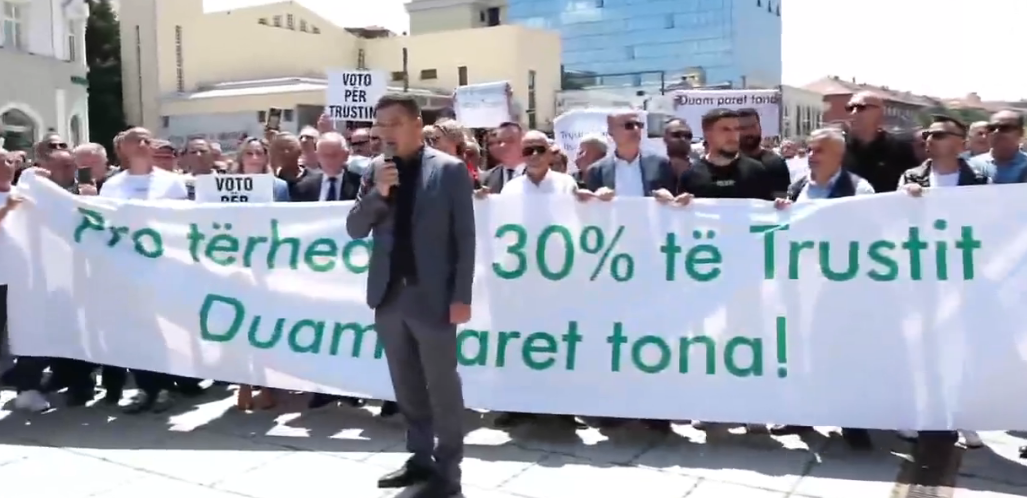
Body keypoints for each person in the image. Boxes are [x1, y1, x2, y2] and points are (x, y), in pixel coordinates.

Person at [346, 93, 474, 498]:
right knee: (406, 386)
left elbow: (465, 238)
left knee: (442, 388)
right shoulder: (375, 170)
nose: (385, 132)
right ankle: (419, 458)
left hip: (434, 297)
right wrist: (379, 193)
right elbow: (355, 228)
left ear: (417, 124)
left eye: (394, 123)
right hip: (388, 296)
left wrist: (462, 296)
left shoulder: (450, 170)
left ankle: (448, 474)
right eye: (380, 124)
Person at [896, 116, 989, 453]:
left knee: (960, 349)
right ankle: (917, 414)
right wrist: (906, 198)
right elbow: (895, 218)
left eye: (938, 134)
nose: (929, 139)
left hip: (962, 276)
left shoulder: (980, 180)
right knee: (920, 347)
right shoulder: (911, 176)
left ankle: (962, 416)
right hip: (921, 275)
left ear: (960, 143)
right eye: (927, 134)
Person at [100, 127, 194, 414]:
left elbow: (181, 224)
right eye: (135, 140)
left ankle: (165, 387)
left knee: (164, 329)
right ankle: (145, 386)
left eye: (146, 140)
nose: (142, 144)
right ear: (123, 149)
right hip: (127, 270)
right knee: (136, 329)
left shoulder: (172, 183)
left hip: (163, 269)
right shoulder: (112, 186)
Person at [583, 110, 673, 200]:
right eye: (629, 125)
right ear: (611, 131)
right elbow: (590, 205)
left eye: (639, 125)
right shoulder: (597, 171)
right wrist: (597, 198)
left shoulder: (660, 165)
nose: (636, 129)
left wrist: (669, 198)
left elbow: (675, 201)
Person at [840, 91, 920, 193]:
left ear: (880, 112)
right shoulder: (836, 149)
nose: (853, 113)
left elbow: (913, 181)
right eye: (850, 108)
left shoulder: (900, 149)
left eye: (861, 107)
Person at [737, 107, 790, 197]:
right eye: (743, 128)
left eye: (753, 126)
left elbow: (781, 198)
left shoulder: (775, 163)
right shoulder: (725, 163)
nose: (749, 132)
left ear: (760, 127)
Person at [968, 111, 1027, 183]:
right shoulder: (971, 166)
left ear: (1021, 132)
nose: (996, 132)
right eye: (992, 128)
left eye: (1005, 128)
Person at [478, 122, 525, 196]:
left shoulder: (539, 175)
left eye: (510, 140)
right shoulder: (487, 178)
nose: (502, 145)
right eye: (500, 142)